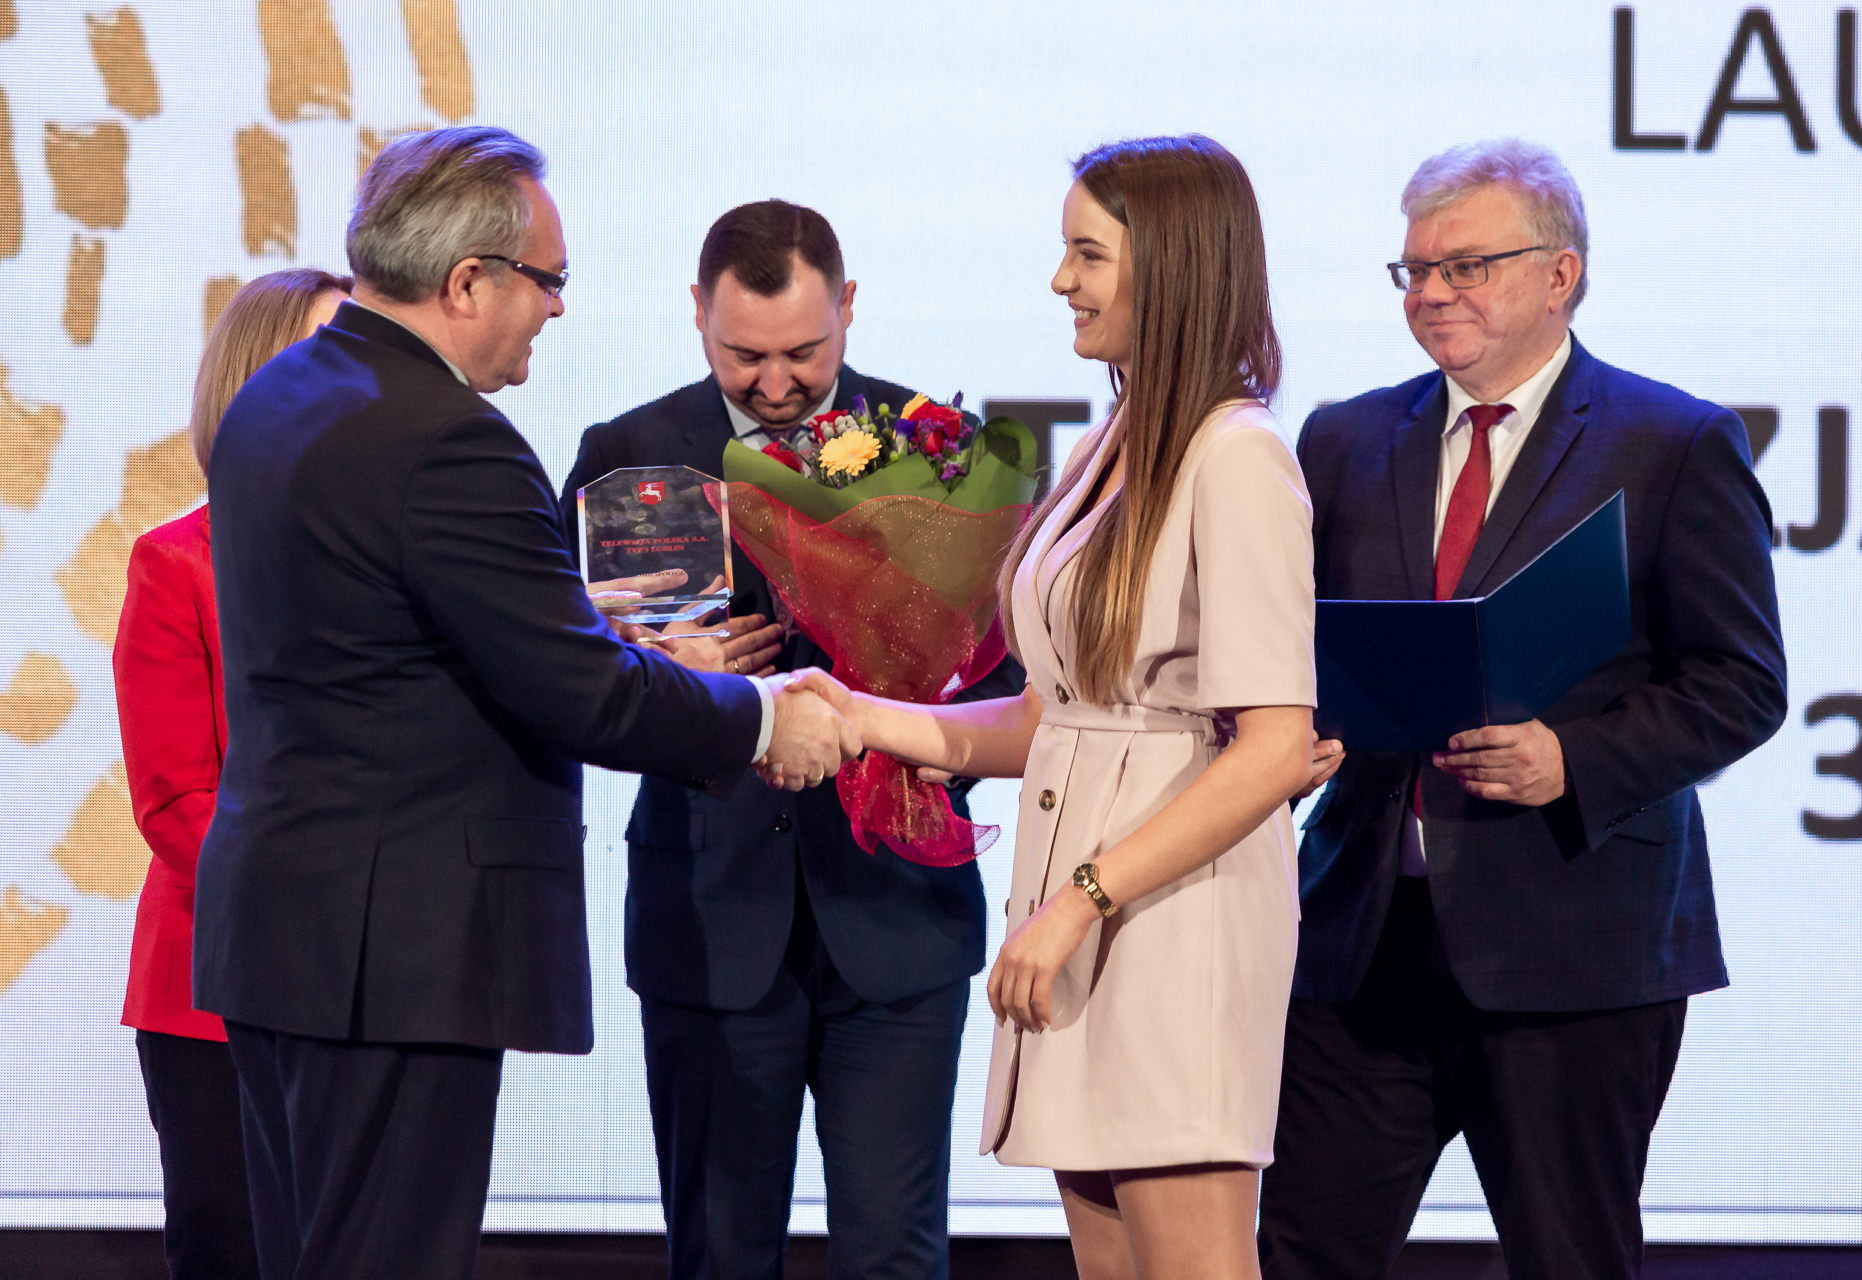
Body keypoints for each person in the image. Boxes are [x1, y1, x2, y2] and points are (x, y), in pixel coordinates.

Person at [191, 127, 859, 1280]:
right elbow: (577, 690)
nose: (556, 309)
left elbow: (405, 639)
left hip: (283, 933)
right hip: (391, 954)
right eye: (548, 281)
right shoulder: (447, 441)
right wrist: (756, 713)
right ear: (467, 282)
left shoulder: (283, 394)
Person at [1257, 139, 1787, 1280]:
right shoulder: (1344, 437)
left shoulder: (1673, 441)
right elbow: (1297, 645)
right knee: (1299, 1253)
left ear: (1562, 274)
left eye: (1465, 265)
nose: (1433, 292)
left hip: (1575, 946)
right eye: (1411, 271)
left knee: (1570, 1261)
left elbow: (1742, 682)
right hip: (1363, 938)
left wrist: (1575, 757)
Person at [792, 136, 1320, 1280]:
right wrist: (861, 712)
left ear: (1171, 268)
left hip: (1169, 914)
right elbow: (1056, 715)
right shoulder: (1116, 443)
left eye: (1088, 252)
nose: (1060, 280)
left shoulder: (1238, 455)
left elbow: (1277, 747)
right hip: (1083, 900)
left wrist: (1081, 899)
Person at [558, 199, 1025, 1280]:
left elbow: (1006, 676)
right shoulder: (626, 452)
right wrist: (662, 674)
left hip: (896, 912)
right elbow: (559, 679)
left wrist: (897, 682)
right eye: (744, 355)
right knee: (720, 1252)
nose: (775, 385)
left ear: (850, 308)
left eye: (804, 353)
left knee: (895, 1252)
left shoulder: (936, 447)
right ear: (695, 315)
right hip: (710, 911)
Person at [112, 267, 349, 1280]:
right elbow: (175, 800)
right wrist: (340, 887)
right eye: (334, 355)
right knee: (234, 1247)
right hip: (217, 983)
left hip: (370, 983)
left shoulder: (396, 557)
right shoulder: (175, 562)